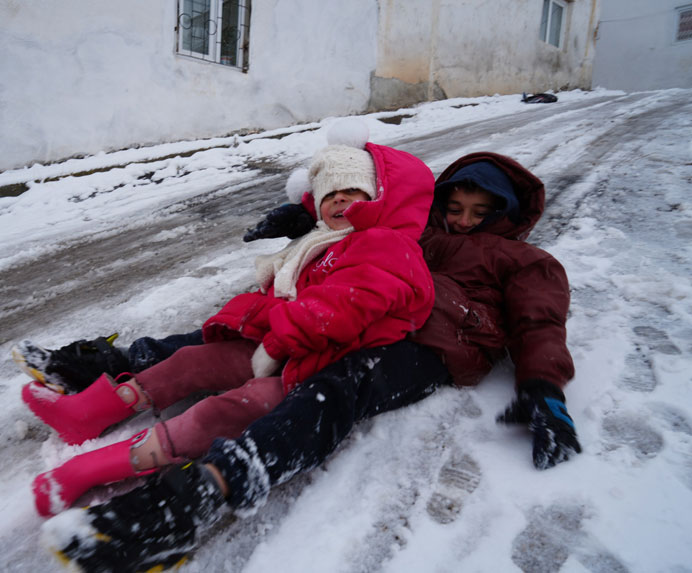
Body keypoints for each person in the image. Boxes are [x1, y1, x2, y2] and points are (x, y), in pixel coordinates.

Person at [30, 151, 583, 573]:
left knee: (339, 389)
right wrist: (303, 219)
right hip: (360, 314)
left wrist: (544, 387)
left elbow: (540, 324)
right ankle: (128, 364)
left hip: (432, 346)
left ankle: (205, 493)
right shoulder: (419, 233)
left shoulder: (527, 260)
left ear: (505, 216)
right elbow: (355, 208)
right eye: (454, 209)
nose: (463, 222)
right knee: (249, 328)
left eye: (480, 214)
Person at [18, 125, 439, 517]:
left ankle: (99, 468)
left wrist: (275, 340)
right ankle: (88, 415)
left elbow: (341, 310)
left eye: (354, 192)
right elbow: (286, 297)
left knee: (228, 409)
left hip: (318, 365)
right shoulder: (319, 243)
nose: (342, 201)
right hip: (285, 346)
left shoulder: (386, 245)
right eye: (331, 196)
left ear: (376, 198)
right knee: (190, 360)